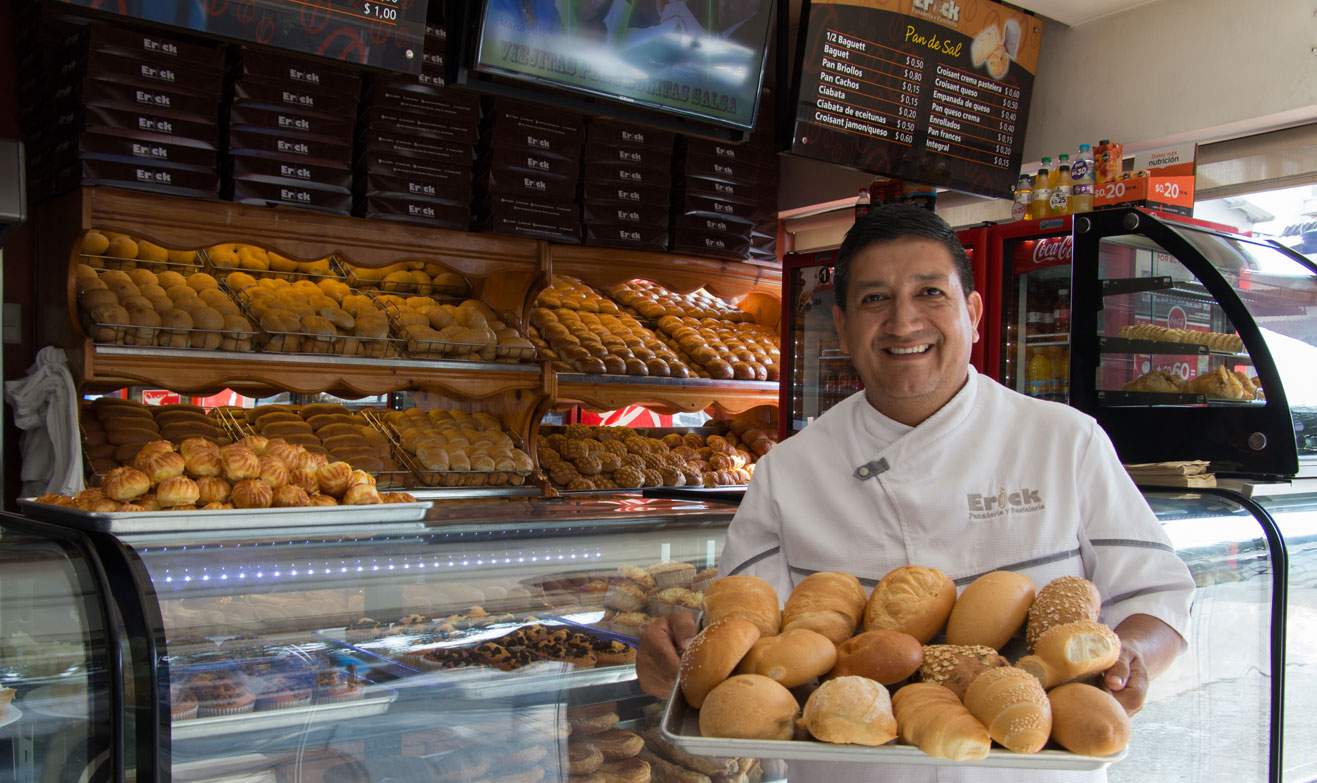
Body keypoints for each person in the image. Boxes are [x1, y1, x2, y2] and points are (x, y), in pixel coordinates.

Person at [637, 203, 1196, 782]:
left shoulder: (1064, 441)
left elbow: (1155, 594)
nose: (904, 324)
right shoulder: (790, 471)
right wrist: (680, 655)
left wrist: (1134, 656)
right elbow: (745, 635)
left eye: (931, 293)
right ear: (844, 324)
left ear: (973, 313)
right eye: (875, 299)